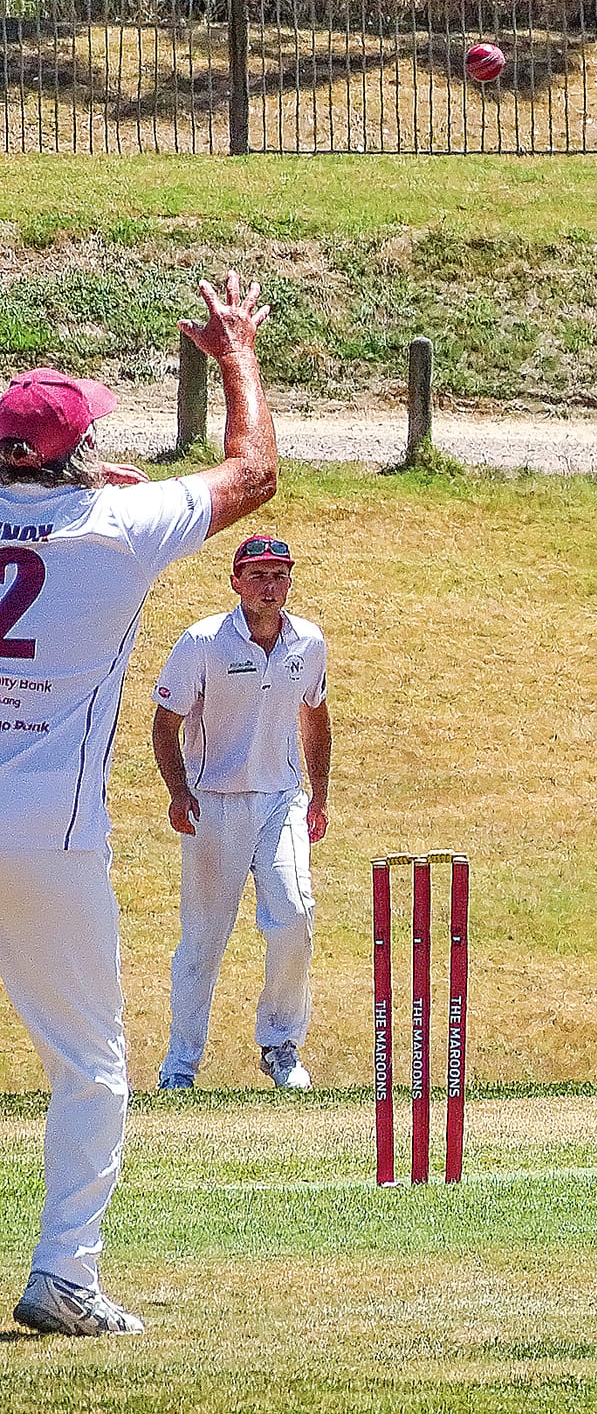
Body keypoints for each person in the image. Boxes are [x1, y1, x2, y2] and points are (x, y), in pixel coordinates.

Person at [0, 273, 277, 1337]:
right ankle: (63, 1272)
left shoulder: (108, 513)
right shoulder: (118, 526)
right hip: (48, 837)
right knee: (89, 1067)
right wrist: (236, 351)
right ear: (77, 456)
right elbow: (252, 474)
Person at [152, 534, 329, 1093]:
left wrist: (318, 795)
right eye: (257, 574)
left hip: (281, 799)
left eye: (278, 575)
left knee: (296, 915)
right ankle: (180, 1068)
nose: (268, 585)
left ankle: (280, 1045)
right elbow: (164, 724)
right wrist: (180, 792)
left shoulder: (308, 642)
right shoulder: (203, 642)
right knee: (203, 939)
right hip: (215, 806)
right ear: (235, 582)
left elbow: (315, 716)